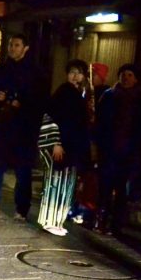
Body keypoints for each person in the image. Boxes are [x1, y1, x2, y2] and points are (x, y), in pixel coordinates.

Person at [0, 33, 47, 219]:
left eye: (17, 45)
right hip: (4, 123)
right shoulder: (1, 70)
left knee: (23, 168)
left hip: (25, 127)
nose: (12, 48)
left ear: (25, 48)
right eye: (10, 45)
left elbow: (40, 99)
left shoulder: (35, 72)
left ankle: (22, 208)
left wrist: (22, 103)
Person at [93, 64, 141, 235]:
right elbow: (100, 122)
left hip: (129, 151)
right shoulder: (109, 95)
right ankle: (100, 218)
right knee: (105, 185)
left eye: (130, 75)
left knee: (121, 189)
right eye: (123, 74)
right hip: (109, 148)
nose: (126, 78)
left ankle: (117, 223)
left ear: (136, 78)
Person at [36, 59, 92, 235]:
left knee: (66, 182)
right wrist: (55, 142)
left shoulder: (80, 94)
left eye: (79, 72)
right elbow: (50, 116)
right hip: (61, 144)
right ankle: (49, 220)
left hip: (72, 145)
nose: (75, 75)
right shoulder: (63, 92)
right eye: (72, 72)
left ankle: (57, 221)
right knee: (55, 181)